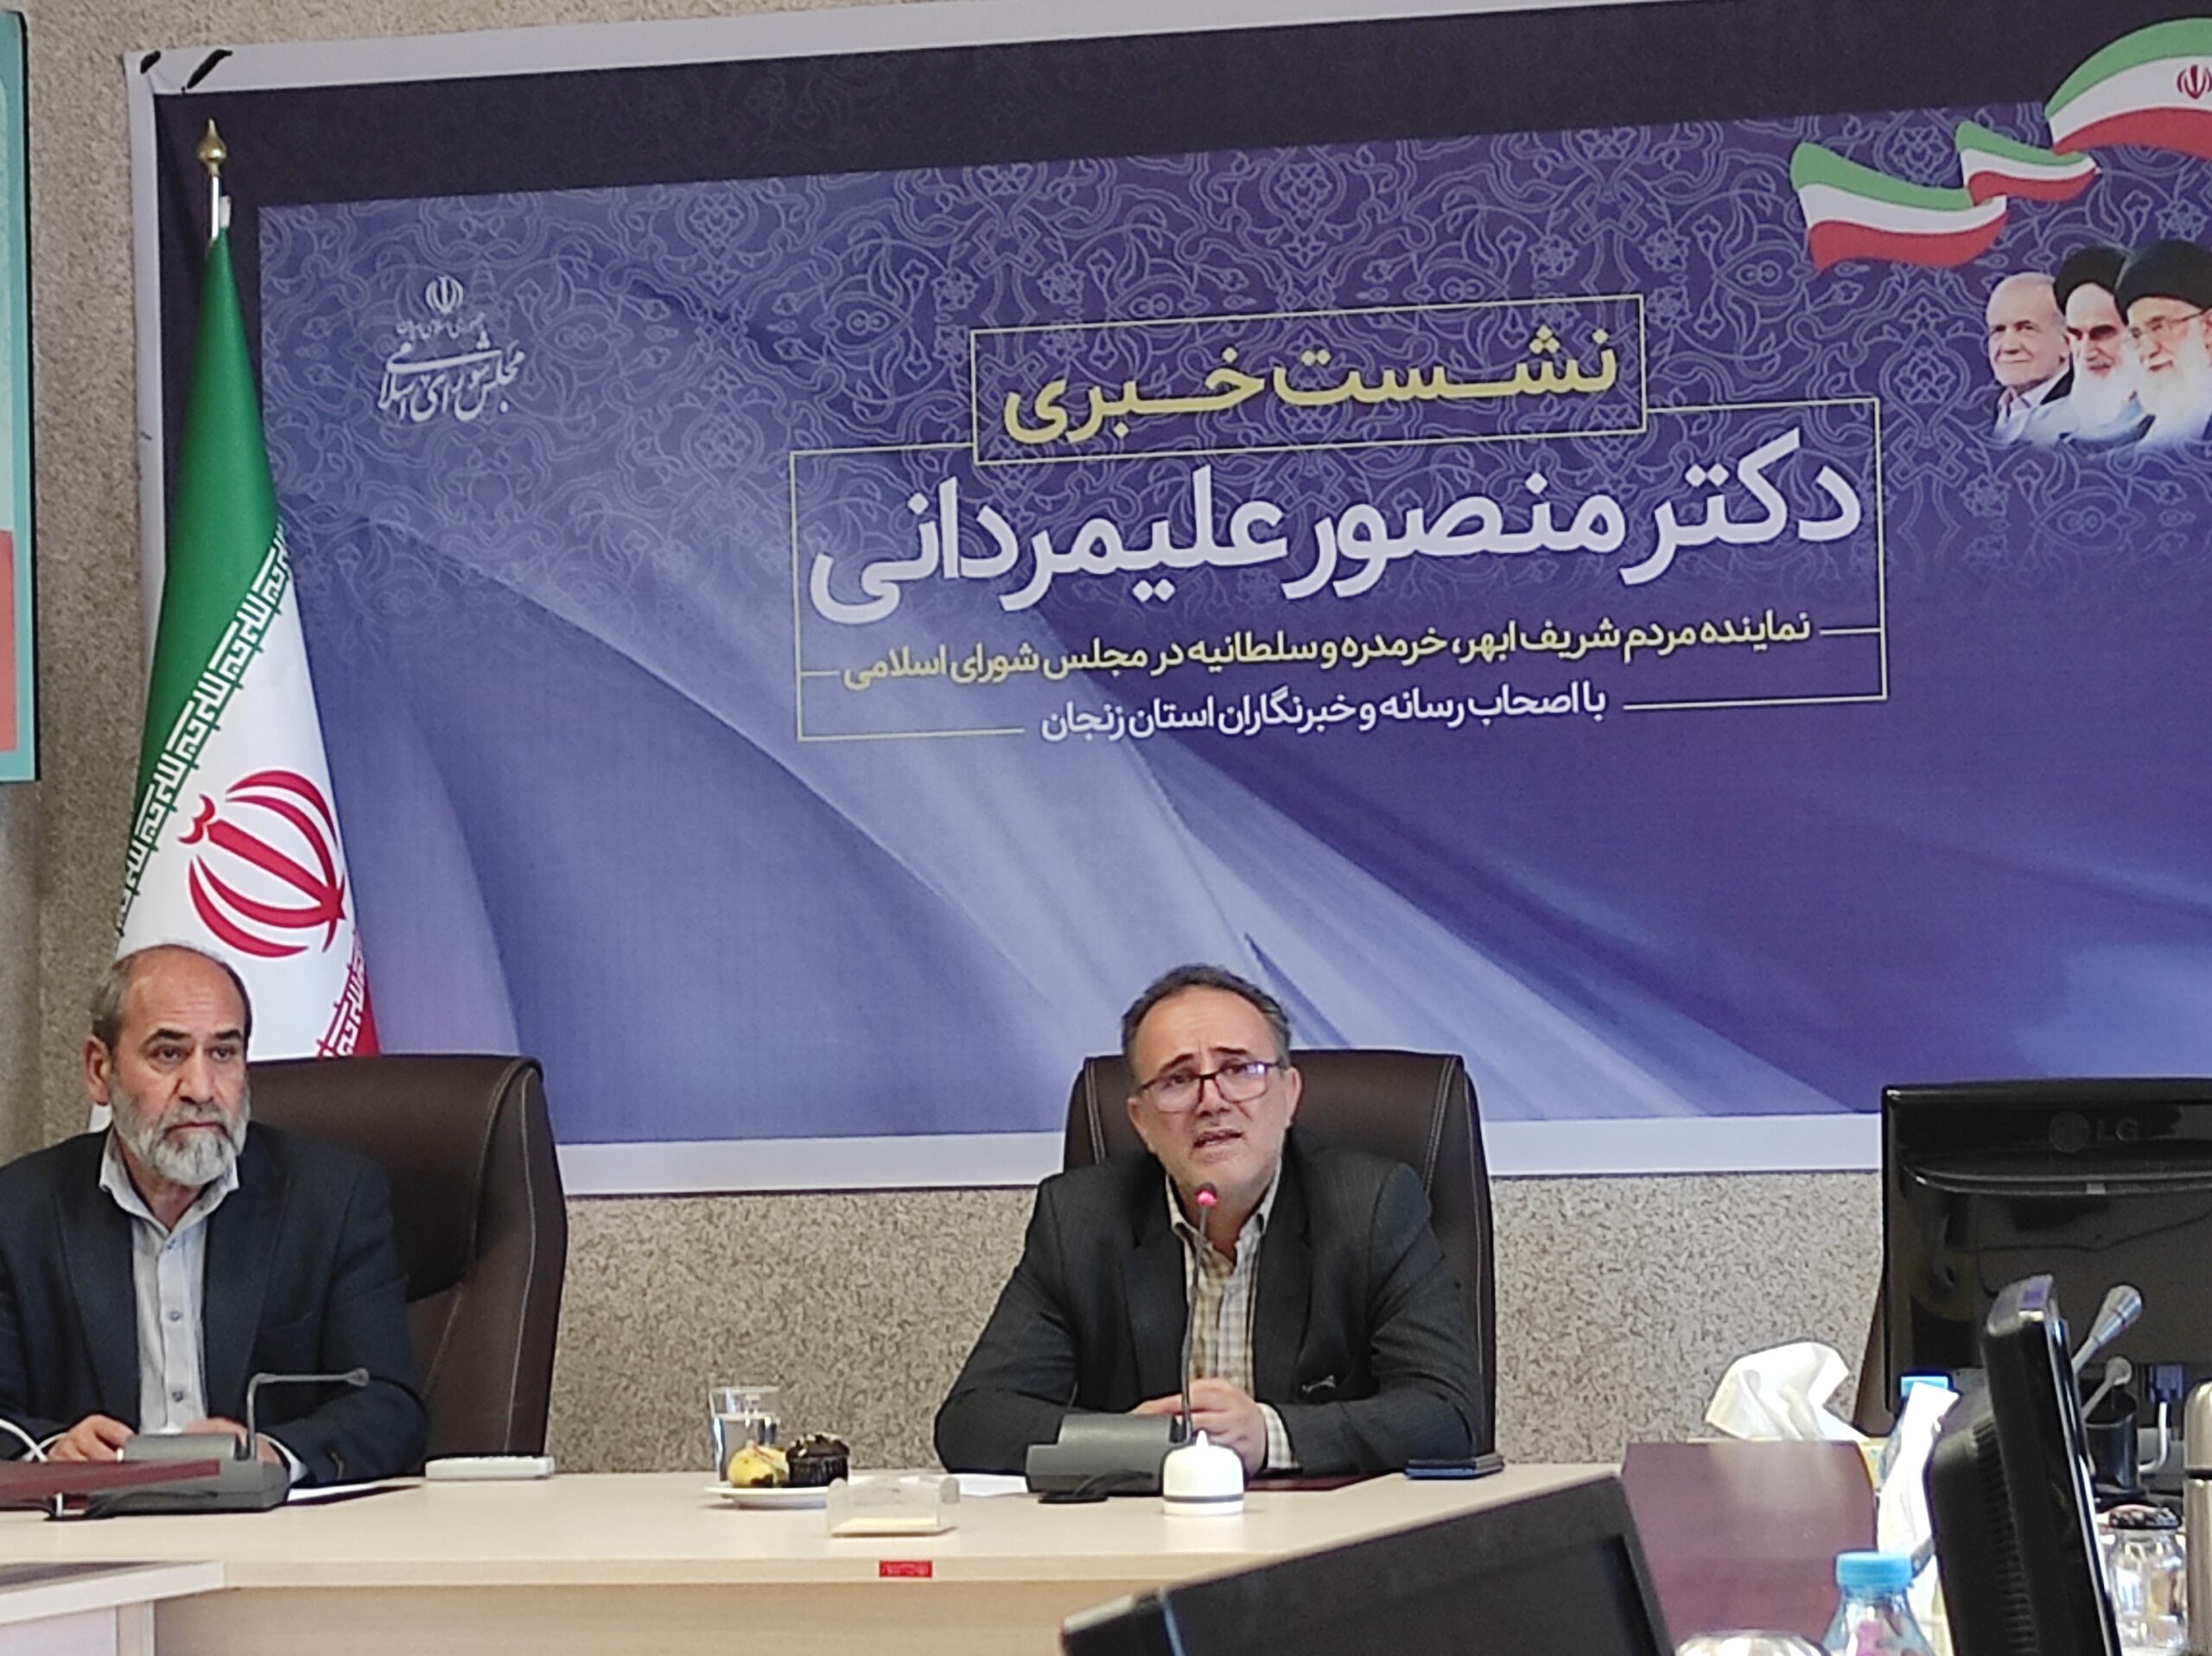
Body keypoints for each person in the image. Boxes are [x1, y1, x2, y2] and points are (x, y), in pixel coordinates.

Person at [935, 964, 1482, 1478]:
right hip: (1142, 1533)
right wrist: (1130, 1442)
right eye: (1177, 1080)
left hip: (1325, 1534)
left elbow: (1448, 1414)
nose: (1211, 1101)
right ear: (1141, 1123)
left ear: (1289, 1095)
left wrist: (1270, 1435)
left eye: (1239, 1069)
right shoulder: (1079, 1219)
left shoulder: (1372, 1206)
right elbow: (973, 1422)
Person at [0, 943, 425, 1483]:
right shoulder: (18, 1213)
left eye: (223, 1053)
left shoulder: (331, 1201)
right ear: (99, 1070)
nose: (201, 1089)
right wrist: (52, 1451)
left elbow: (389, 1408)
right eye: (168, 1054)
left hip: (272, 1526)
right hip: (96, 1525)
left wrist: (272, 1454)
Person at [2027, 245, 2148, 449]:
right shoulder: (2037, 429)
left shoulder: (2175, 424)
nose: (2087, 352)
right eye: (2076, 335)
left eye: (2102, 333)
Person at [2116, 238, 2212, 450]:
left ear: (2208, 327)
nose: (2147, 350)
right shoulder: (2130, 434)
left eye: (2159, 327)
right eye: (2137, 335)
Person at [1985, 271, 2072, 444]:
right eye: (1998, 330)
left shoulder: (2089, 420)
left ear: (2067, 341)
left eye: (2026, 329)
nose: (2009, 347)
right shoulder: (1978, 412)